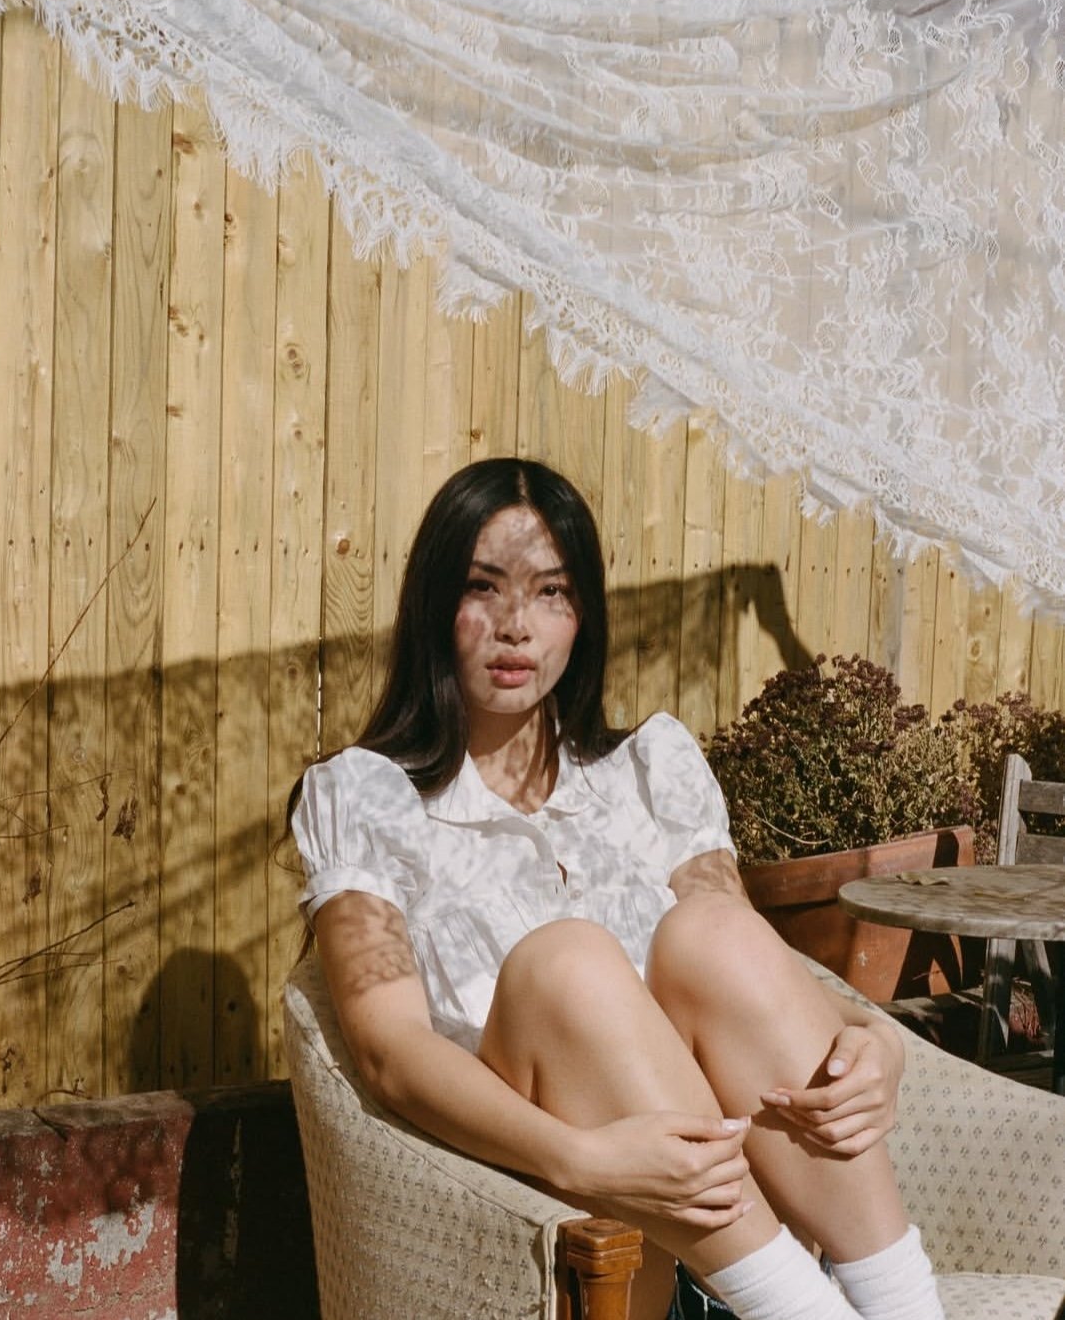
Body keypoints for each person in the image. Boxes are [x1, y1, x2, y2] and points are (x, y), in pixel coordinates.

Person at [290, 457, 946, 1320]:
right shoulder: (366, 796)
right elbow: (389, 1051)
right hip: (584, 1232)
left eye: (551, 592)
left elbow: (753, 970)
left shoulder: (649, 770)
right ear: (433, 604)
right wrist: (581, 1158)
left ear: (583, 615)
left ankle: (901, 1306)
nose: (515, 626)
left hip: (745, 1220)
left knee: (710, 930)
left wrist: (878, 1038)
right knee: (567, 963)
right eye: (483, 587)